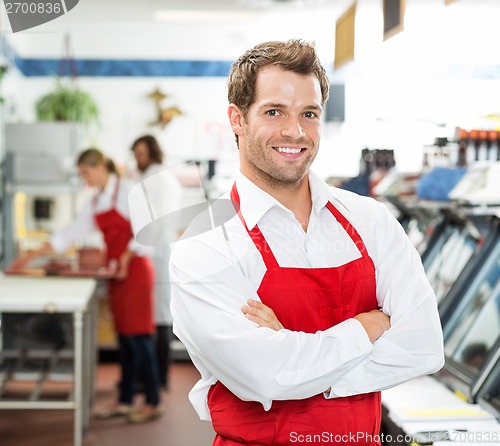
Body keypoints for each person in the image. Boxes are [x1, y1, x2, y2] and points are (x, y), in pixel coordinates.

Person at [169, 39, 444, 445]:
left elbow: (423, 347)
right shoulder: (206, 244)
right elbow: (264, 373)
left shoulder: (370, 220)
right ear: (237, 119)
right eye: (274, 111)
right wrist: (365, 327)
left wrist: (293, 354)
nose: (295, 131)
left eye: (309, 113)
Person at [34, 148, 163, 423]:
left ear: (100, 167)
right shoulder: (96, 203)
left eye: (85, 172)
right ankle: (125, 400)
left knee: (140, 338)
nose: (85, 178)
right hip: (116, 274)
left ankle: (153, 401)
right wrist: (34, 254)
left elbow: (148, 230)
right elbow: (69, 233)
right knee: (124, 340)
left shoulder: (128, 190)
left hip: (136, 271)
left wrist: (125, 257)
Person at [130, 134, 182, 391]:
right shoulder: (162, 176)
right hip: (160, 252)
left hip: (157, 255)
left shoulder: (154, 179)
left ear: (152, 153)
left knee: (159, 318)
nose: (137, 159)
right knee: (158, 316)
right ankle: (154, 377)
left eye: (140, 154)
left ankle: (157, 378)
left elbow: (152, 224)